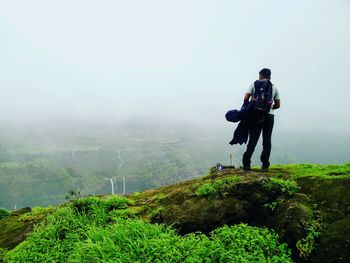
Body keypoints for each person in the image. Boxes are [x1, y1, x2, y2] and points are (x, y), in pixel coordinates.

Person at [242, 68, 280, 172]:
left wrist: (251, 106)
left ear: (261, 76)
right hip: (269, 117)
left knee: (253, 140)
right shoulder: (274, 88)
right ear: (270, 77)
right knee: (267, 141)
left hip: (256, 116)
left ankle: (246, 164)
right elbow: (278, 105)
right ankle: (265, 166)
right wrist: (270, 108)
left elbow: (245, 98)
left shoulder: (254, 85)